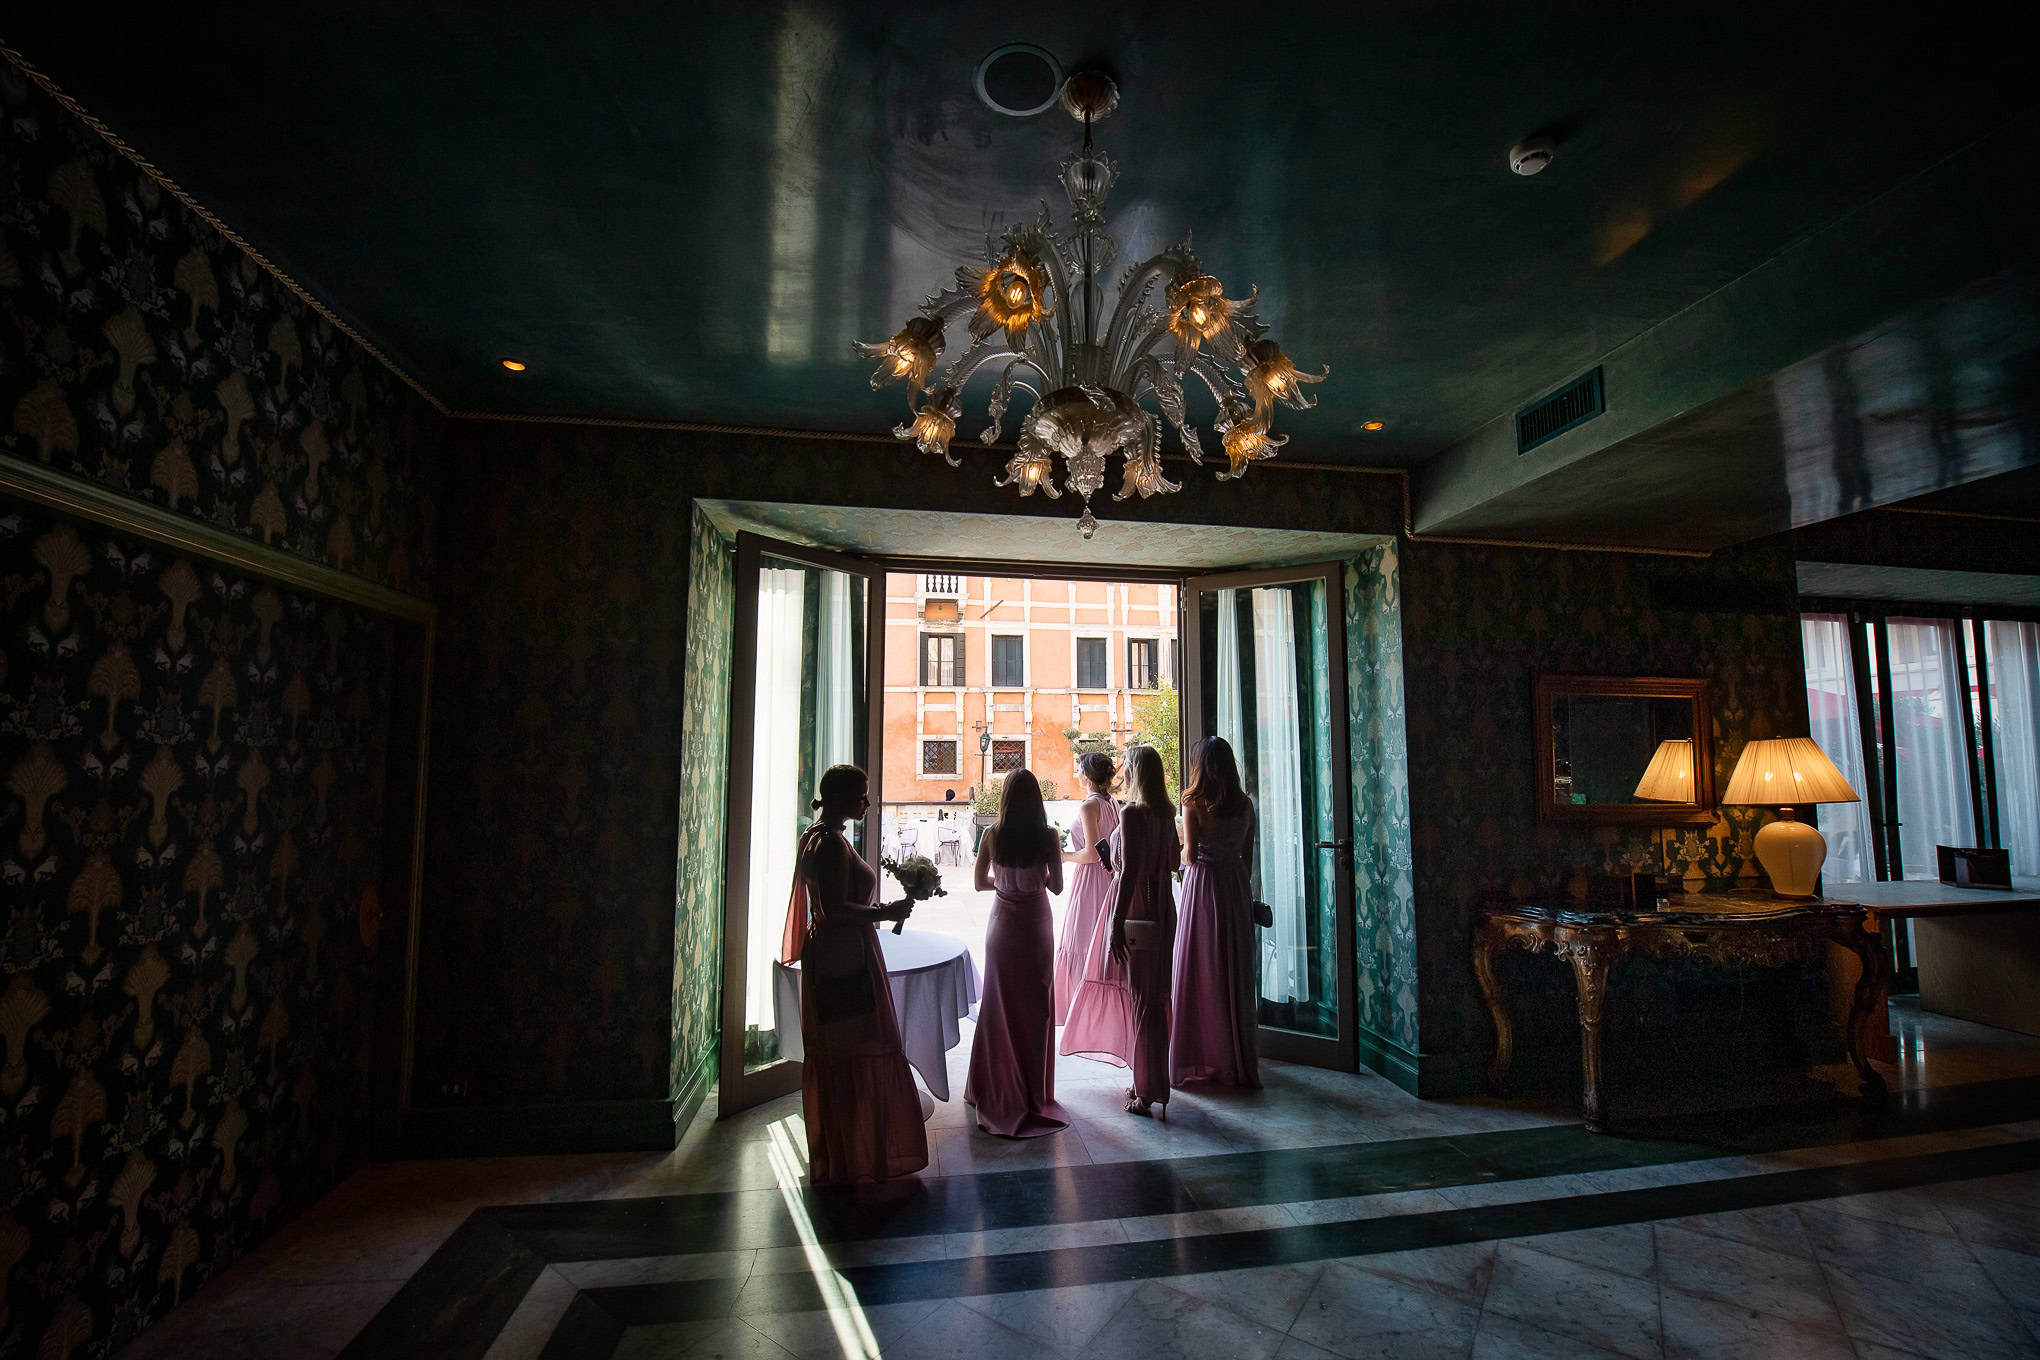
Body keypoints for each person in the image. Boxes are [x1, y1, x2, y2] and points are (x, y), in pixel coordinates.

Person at [779, 765, 928, 1184]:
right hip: (843, 955)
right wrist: (887, 912)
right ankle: (856, 1153)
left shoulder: (820, 835)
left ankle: (848, 1148)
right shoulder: (829, 845)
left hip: (837, 952)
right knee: (856, 1045)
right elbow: (834, 911)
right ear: (841, 797)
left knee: (843, 1050)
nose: (867, 802)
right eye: (861, 795)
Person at [963, 768, 1070, 1137]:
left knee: (999, 1006)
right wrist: (1031, 880)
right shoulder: (1048, 836)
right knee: (1036, 1008)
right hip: (1036, 927)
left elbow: (978, 883)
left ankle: (989, 1085)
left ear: (1006, 798)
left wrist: (1005, 883)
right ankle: (1032, 1092)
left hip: (1002, 927)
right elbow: (1056, 887)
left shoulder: (992, 835)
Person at [1170, 736, 1261, 1088]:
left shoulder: (1193, 804)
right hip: (1234, 886)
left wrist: (1173, 849)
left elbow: (1189, 856)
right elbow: (1247, 857)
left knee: (1201, 966)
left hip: (1204, 887)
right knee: (1233, 969)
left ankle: (1200, 1055)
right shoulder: (1246, 805)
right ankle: (1235, 1058)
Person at [1096, 744, 1179, 1117]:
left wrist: (1115, 921)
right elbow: (1176, 861)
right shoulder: (1167, 814)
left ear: (1135, 773)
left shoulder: (1132, 815)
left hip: (1138, 908)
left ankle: (1147, 1091)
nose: (1121, 774)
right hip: (1163, 906)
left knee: (1141, 999)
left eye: (1126, 767)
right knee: (1156, 995)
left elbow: (1127, 871)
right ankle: (1150, 1078)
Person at [1053, 752, 1121, 1025]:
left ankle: (1084, 1008)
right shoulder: (1113, 803)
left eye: (1079, 769)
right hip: (1110, 876)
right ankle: (1102, 1007)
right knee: (1100, 938)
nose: (1077, 774)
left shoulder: (1089, 806)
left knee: (1082, 937)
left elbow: (1092, 854)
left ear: (1088, 776)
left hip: (1091, 878)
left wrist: (1064, 856)